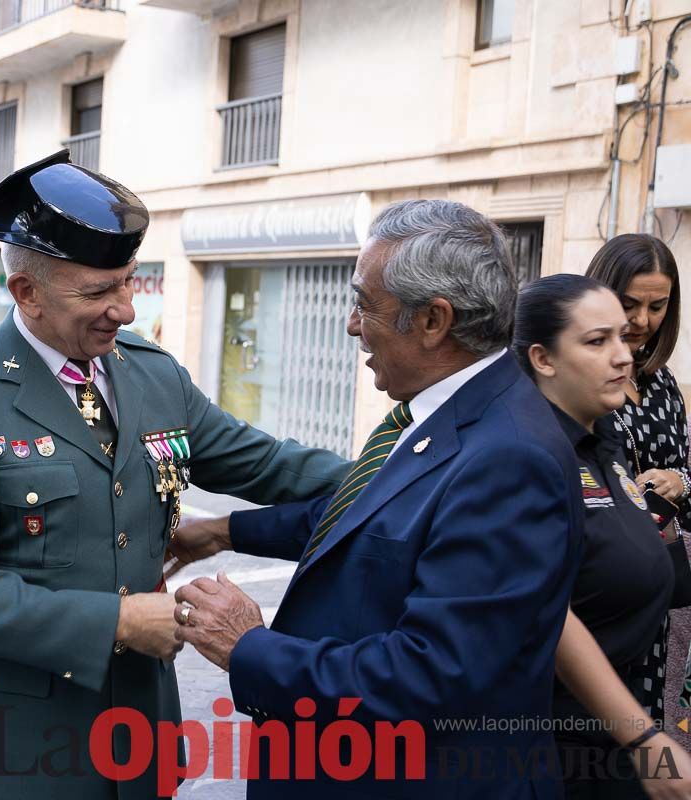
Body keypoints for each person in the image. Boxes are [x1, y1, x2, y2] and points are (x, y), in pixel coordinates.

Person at [0, 149, 349, 799]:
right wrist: (121, 623)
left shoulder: (151, 371)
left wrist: (415, 470)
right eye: (100, 291)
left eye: (130, 282)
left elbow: (273, 466)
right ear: (27, 294)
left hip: (138, 737)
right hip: (14, 747)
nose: (126, 309)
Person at [171, 199, 584, 799]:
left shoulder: (509, 459)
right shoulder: (442, 413)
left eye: (365, 303)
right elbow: (366, 518)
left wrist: (249, 647)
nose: (351, 324)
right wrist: (223, 532)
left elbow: (430, 674)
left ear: (433, 320)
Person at [513, 273, 691, 798]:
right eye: (598, 341)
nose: (624, 355)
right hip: (549, 734)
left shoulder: (602, 432)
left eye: (622, 336)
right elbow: (548, 609)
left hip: (621, 709)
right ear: (543, 359)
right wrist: (644, 740)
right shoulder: (526, 453)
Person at [585, 235, 691, 740]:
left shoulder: (661, 382)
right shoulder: (575, 375)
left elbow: (685, 470)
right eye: (629, 304)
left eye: (657, 306)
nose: (643, 320)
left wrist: (680, 481)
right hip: (595, 598)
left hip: (658, 595)